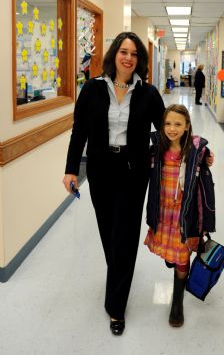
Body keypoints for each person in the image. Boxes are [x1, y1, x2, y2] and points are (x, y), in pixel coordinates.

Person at [63, 32, 165, 336]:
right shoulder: (92, 89)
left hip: (134, 171)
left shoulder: (148, 93)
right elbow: (78, 131)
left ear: (140, 61)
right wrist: (71, 170)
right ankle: (119, 273)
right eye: (124, 51)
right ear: (114, 55)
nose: (128, 58)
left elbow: (168, 130)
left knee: (126, 233)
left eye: (134, 54)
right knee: (109, 232)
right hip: (100, 169)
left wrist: (198, 151)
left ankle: (116, 307)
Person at [144, 104, 215, 327]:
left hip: (184, 215)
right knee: (171, 255)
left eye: (177, 124)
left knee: (182, 258)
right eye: (167, 123)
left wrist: (205, 222)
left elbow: (206, 190)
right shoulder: (156, 148)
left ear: (187, 126)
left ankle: (177, 302)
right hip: (163, 212)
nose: (172, 129)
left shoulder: (195, 152)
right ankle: (171, 259)